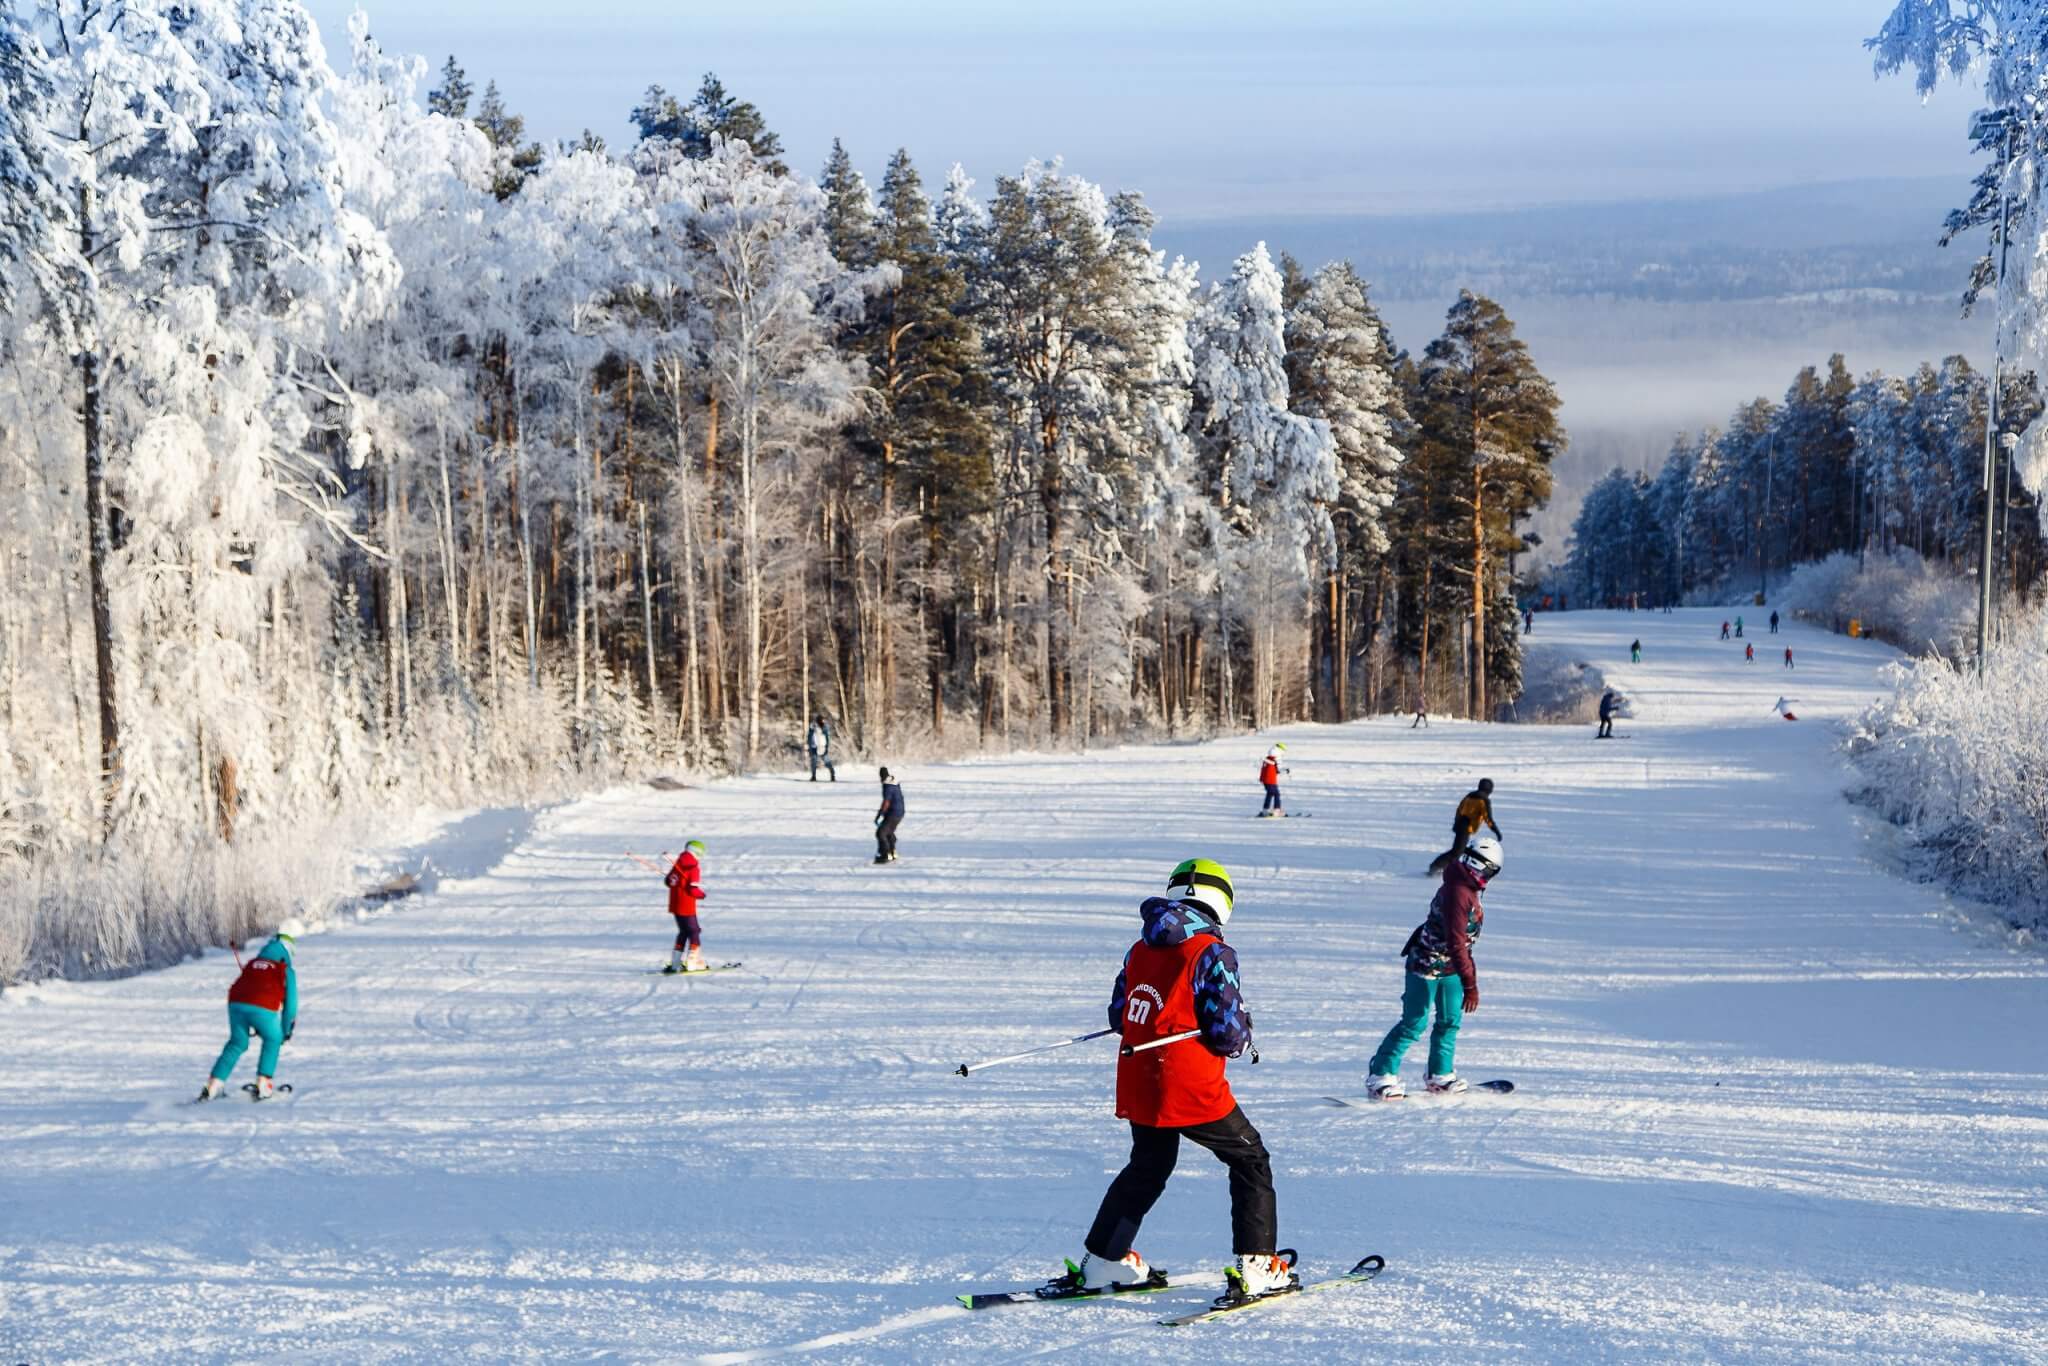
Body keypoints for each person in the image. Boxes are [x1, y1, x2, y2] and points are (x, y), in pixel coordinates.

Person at [1073, 858, 1294, 1303]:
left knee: (1149, 1165)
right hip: (1189, 1084)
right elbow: (1228, 1034)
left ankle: (1103, 1261)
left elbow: (1120, 1014)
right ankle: (1257, 1265)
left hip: (1139, 1076)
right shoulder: (1212, 951)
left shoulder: (1139, 948)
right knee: (1250, 1159)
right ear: (1221, 901)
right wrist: (1242, 1031)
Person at [1366, 835, 1502, 1100]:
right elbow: (1457, 942)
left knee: (1449, 1020)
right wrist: (1471, 984)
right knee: (1413, 1023)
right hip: (1425, 966)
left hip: (1450, 967)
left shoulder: (1466, 885)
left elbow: (1461, 946)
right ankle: (1380, 1074)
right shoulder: (1459, 893)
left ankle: (1440, 1073)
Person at [198, 919, 303, 1102]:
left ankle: (213, 1085)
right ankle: (264, 1085)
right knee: (273, 1038)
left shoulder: (253, 963)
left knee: (237, 1042)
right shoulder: (285, 969)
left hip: (235, 1003)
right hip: (262, 1006)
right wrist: (286, 1032)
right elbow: (291, 1006)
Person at [1429, 779, 1502, 872]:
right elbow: (1488, 819)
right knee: (1457, 852)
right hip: (1466, 827)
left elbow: (1459, 809)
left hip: (1461, 825)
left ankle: (1442, 868)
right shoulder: (1483, 800)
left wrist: (1456, 823)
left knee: (1459, 851)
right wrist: (1496, 831)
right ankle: (1436, 867)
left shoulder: (1470, 796)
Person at [662, 840, 708, 973]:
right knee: (694, 931)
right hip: (686, 904)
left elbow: (668, 881)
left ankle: (676, 963)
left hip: (675, 904)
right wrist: (702, 894)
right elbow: (692, 889)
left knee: (683, 931)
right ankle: (693, 962)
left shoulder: (678, 863)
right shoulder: (693, 867)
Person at [874, 767, 905, 864]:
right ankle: (893, 852)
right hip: (899, 812)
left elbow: (886, 802)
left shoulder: (888, 786)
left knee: (881, 833)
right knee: (889, 832)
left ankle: (885, 854)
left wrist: (880, 814)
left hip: (893, 813)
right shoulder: (894, 783)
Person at [1257, 744, 1287, 817]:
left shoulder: (1268, 758)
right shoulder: (1276, 758)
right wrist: (1286, 771)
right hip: (1270, 780)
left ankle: (1265, 809)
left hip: (1266, 780)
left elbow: (1274, 769)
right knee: (1276, 794)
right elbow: (1278, 769)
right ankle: (1277, 810)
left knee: (1270, 794)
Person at [806, 716, 837, 782]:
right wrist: (809, 745)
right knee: (814, 762)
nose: (823, 721)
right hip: (814, 746)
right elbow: (809, 736)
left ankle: (832, 775)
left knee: (827, 762)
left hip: (822, 746)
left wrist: (826, 746)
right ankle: (813, 776)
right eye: (821, 720)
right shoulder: (813, 727)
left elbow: (827, 737)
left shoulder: (825, 727)